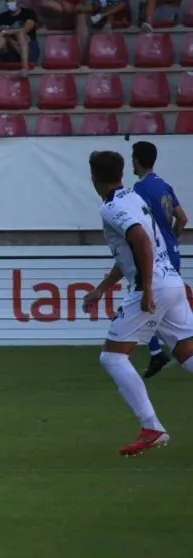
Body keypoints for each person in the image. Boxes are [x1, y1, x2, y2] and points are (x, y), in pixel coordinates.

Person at [82, 151, 193, 456]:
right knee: (186, 354)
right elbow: (134, 249)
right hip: (170, 279)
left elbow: (142, 242)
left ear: (93, 177)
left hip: (154, 284)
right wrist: (101, 289)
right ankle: (152, 427)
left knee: (112, 357)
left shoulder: (112, 208)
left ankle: (151, 427)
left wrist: (145, 289)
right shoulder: (133, 197)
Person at [131, 141, 187, 379]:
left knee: (143, 298)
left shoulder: (140, 188)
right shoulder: (164, 186)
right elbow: (182, 219)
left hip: (154, 253)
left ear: (137, 160)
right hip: (172, 252)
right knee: (170, 304)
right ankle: (158, 352)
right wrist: (172, 238)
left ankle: (157, 352)